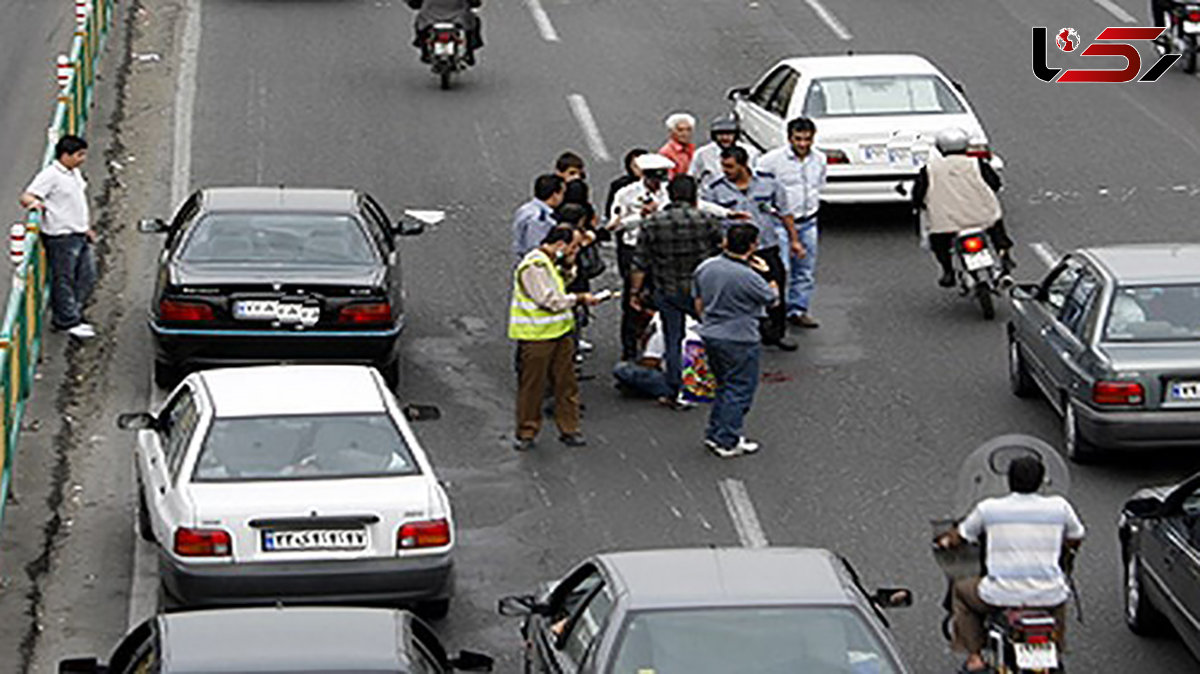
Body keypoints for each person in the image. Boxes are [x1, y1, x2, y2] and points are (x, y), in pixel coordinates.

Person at [936, 456, 1085, 674]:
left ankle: (975, 657)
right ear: (1041, 481)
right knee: (1057, 596)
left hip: (1000, 595)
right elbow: (1076, 535)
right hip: (1047, 595)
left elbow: (961, 535)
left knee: (961, 591)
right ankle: (1054, 651)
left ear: (1010, 481)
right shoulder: (1059, 507)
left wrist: (945, 541)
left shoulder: (989, 509)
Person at [630, 175, 723, 409]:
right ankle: (715, 378)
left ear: (670, 195)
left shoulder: (652, 223)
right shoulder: (706, 219)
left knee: (674, 339)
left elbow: (640, 263)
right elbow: (719, 251)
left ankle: (675, 388)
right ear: (694, 197)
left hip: (667, 289)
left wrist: (635, 292)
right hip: (702, 290)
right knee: (713, 332)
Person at [508, 226, 600, 451]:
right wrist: (579, 298)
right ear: (560, 244)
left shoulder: (550, 263)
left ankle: (569, 428)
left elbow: (562, 284)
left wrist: (569, 266)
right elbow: (549, 299)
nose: (575, 250)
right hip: (537, 336)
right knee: (533, 386)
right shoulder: (535, 266)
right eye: (573, 246)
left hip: (560, 332)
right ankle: (527, 431)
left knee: (566, 383)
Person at [702, 146, 802, 351]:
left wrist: (794, 240)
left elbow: (785, 213)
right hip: (736, 252)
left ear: (743, 165)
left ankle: (777, 333)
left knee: (776, 288)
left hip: (765, 246)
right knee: (737, 293)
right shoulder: (716, 189)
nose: (725, 171)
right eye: (723, 166)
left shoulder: (768, 184)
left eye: (730, 166)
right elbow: (711, 220)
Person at [693, 224, 778, 458]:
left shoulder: (706, 267)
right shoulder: (748, 277)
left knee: (724, 386)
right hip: (740, 337)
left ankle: (715, 432)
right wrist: (768, 275)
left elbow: (698, 302)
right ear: (753, 246)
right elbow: (773, 299)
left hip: (712, 333)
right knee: (739, 389)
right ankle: (727, 439)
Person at [912, 127, 1014, 288]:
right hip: (982, 216)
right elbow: (994, 183)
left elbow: (918, 194)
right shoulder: (977, 163)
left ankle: (948, 271)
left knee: (939, 243)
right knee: (997, 230)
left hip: (947, 221)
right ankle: (1004, 257)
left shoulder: (930, 169)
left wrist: (918, 205)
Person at [19, 135, 97, 340]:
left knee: (87, 276)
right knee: (64, 279)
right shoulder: (51, 175)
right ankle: (66, 320)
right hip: (61, 237)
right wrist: (34, 204)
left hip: (78, 234)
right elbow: (27, 196)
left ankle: (73, 313)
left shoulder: (74, 173)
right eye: (79, 155)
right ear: (65, 155)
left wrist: (85, 227)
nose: (83, 158)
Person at [757, 117, 825, 329]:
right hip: (779, 223)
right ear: (789, 138)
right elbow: (759, 189)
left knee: (804, 270)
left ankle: (798, 309)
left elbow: (819, 184)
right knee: (780, 269)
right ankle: (773, 311)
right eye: (798, 139)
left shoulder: (819, 159)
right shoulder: (771, 161)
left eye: (807, 139)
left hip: (808, 221)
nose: (803, 144)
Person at [608, 153, 673, 360]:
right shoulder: (625, 194)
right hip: (634, 249)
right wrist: (641, 217)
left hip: (661, 250)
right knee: (632, 302)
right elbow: (616, 223)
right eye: (653, 180)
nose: (657, 185)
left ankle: (658, 349)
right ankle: (628, 351)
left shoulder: (669, 193)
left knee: (662, 299)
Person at [612, 313, 701, 400]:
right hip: (703, 380)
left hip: (682, 382)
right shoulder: (689, 321)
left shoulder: (659, 332)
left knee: (622, 369)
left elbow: (650, 363)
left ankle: (671, 392)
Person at [690, 115, 760, 187]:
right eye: (720, 134)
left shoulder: (751, 152)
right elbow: (692, 177)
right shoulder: (702, 154)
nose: (725, 138)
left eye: (729, 134)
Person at [408, 0, 483, 65]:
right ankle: (469, 51)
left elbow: (414, 3)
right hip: (458, 13)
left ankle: (424, 50)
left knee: (420, 24)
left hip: (431, 14)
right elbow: (475, 3)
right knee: (472, 23)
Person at [512, 174, 565, 261]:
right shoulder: (540, 218)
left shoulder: (526, 208)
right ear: (555, 195)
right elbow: (535, 247)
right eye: (562, 193)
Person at [604, 148, 648, 221]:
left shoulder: (660, 184)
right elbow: (610, 212)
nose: (641, 169)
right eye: (636, 166)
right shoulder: (620, 185)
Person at [658, 112, 696, 179]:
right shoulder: (666, 153)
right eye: (680, 130)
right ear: (671, 132)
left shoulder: (693, 149)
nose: (685, 134)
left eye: (688, 130)